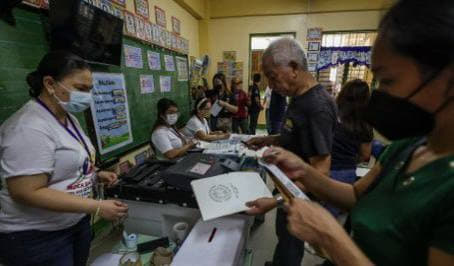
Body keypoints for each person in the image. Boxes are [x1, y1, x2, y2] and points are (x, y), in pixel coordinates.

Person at [251, 0, 454, 265]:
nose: (378, 95)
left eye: (389, 80)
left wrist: (331, 238)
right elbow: (356, 196)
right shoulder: (407, 147)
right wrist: (303, 171)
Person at [0, 51, 128, 266]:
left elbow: (68, 163)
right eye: (81, 88)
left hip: (74, 224)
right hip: (37, 237)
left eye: (90, 90)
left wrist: (96, 175)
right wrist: (96, 206)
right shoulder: (28, 127)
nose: (87, 96)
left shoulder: (67, 118)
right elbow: (25, 191)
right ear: (50, 83)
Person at [246, 38, 338, 266]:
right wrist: (269, 139)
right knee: (284, 239)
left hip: (301, 199)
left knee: (290, 247)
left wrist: (275, 200)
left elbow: (321, 172)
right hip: (287, 189)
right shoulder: (297, 98)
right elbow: (295, 136)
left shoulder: (316, 106)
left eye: (272, 76)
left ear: (294, 68)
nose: (270, 83)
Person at [324, 79, 373, 217]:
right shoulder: (365, 123)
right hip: (345, 173)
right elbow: (365, 155)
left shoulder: (330, 112)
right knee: (330, 217)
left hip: (321, 166)